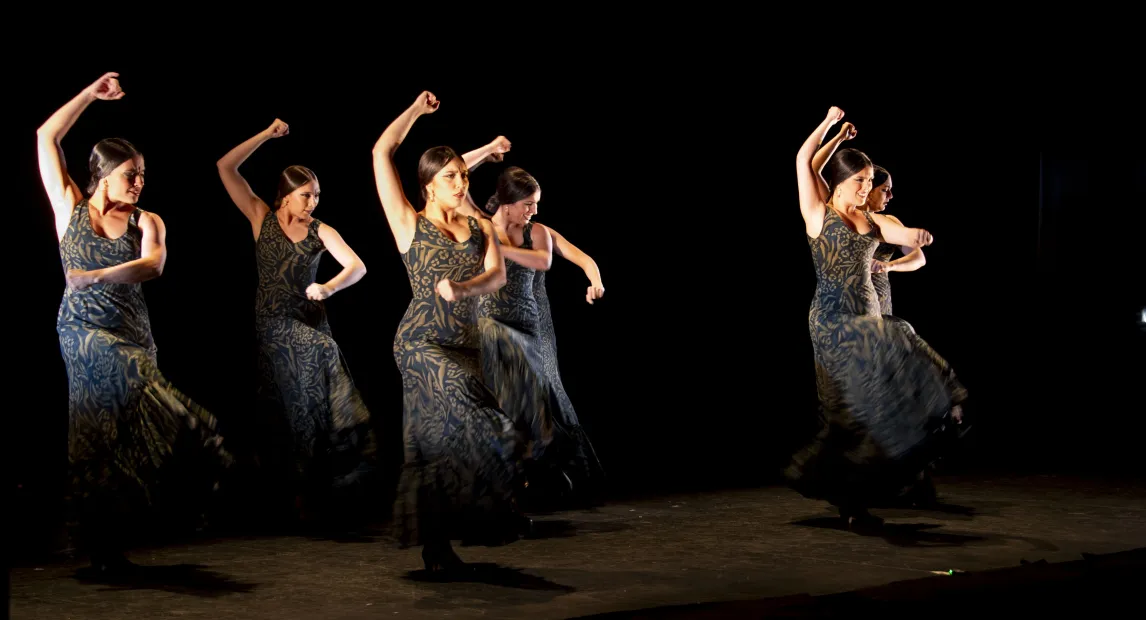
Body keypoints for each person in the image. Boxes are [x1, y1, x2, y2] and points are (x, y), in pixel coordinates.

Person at [38, 73, 231, 574]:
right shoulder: (69, 208)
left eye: (143, 173)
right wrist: (88, 95)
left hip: (132, 337)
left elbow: (153, 266)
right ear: (103, 177)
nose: (140, 182)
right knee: (94, 426)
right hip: (81, 333)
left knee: (112, 440)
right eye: (131, 174)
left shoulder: (149, 221)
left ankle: (105, 546)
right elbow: (45, 137)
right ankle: (185, 430)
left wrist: (95, 274)